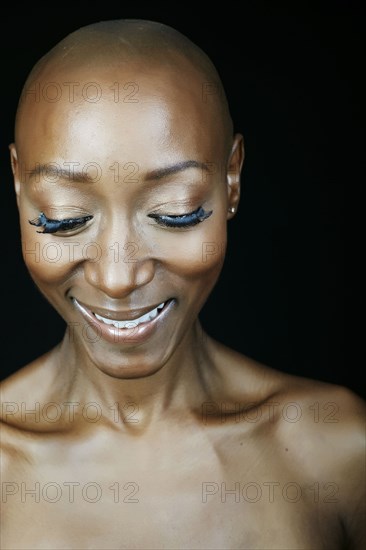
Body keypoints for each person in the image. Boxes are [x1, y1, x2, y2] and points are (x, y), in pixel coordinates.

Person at [0, 18, 364, 550]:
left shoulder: (336, 450)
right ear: (17, 186)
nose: (118, 277)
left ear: (231, 178)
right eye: (65, 218)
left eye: (175, 213)